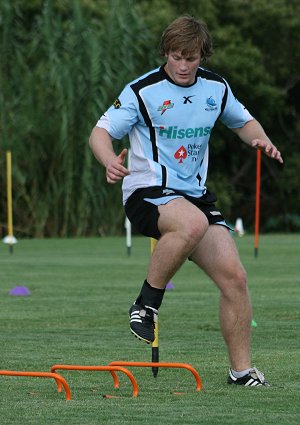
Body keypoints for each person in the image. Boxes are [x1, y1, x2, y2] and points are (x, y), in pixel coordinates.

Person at [89, 15, 283, 387]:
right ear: (166, 53)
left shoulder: (216, 88)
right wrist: (109, 160)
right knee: (191, 223)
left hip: (193, 196)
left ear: (202, 57)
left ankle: (241, 373)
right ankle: (145, 305)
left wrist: (261, 140)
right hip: (146, 193)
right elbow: (100, 133)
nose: (182, 65)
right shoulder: (142, 91)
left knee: (236, 279)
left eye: (191, 58)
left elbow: (245, 123)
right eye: (176, 56)